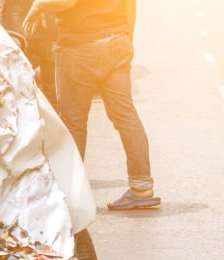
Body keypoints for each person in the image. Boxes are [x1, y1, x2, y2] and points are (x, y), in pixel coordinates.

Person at [23, 0, 160, 210]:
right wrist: (126, 40)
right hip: (116, 41)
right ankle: (142, 187)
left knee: (74, 123)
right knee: (126, 117)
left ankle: (71, 192)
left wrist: (39, 6)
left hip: (78, 49)